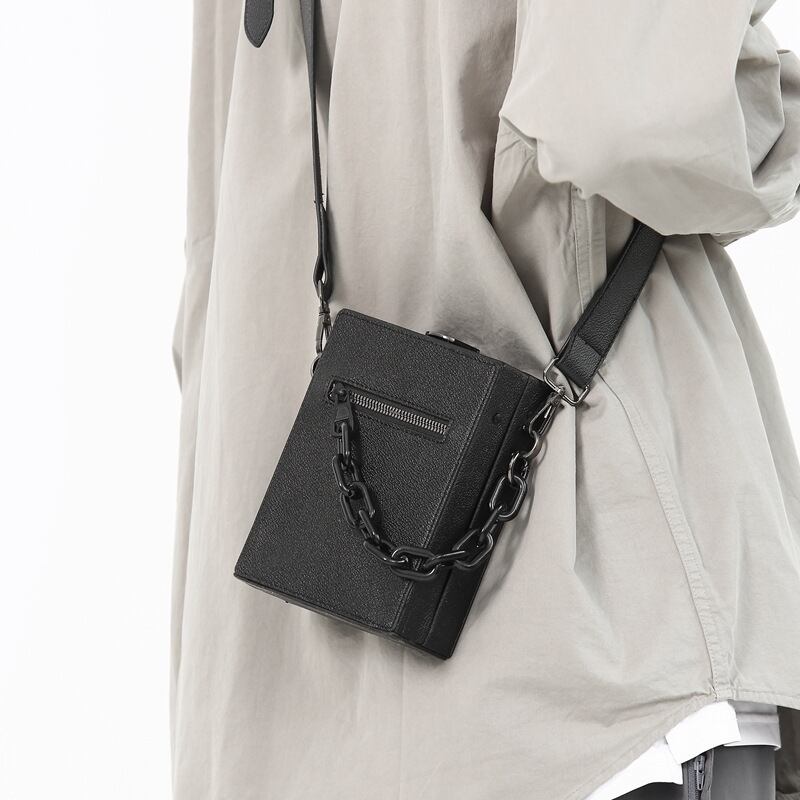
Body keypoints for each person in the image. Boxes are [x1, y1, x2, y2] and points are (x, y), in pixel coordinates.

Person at [170, 1, 800, 797]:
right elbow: (631, 118)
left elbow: (218, 261)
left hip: (288, 704)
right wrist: (771, 112)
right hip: (595, 636)